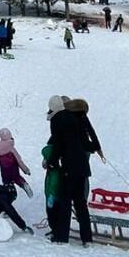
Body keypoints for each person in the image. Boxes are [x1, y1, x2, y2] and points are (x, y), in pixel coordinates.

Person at [47, 96, 102, 246]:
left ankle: (61, 238)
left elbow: (58, 145)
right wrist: (95, 147)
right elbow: (86, 143)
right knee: (81, 205)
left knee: (65, 202)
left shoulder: (57, 120)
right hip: (83, 168)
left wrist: (51, 162)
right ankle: (87, 239)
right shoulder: (76, 118)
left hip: (69, 168)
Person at [0, 127, 33, 198]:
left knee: (6, 183)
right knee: (17, 178)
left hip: (4, 171)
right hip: (14, 170)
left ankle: (9, 195)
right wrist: (26, 170)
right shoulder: (12, 149)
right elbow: (19, 161)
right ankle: (23, 184)